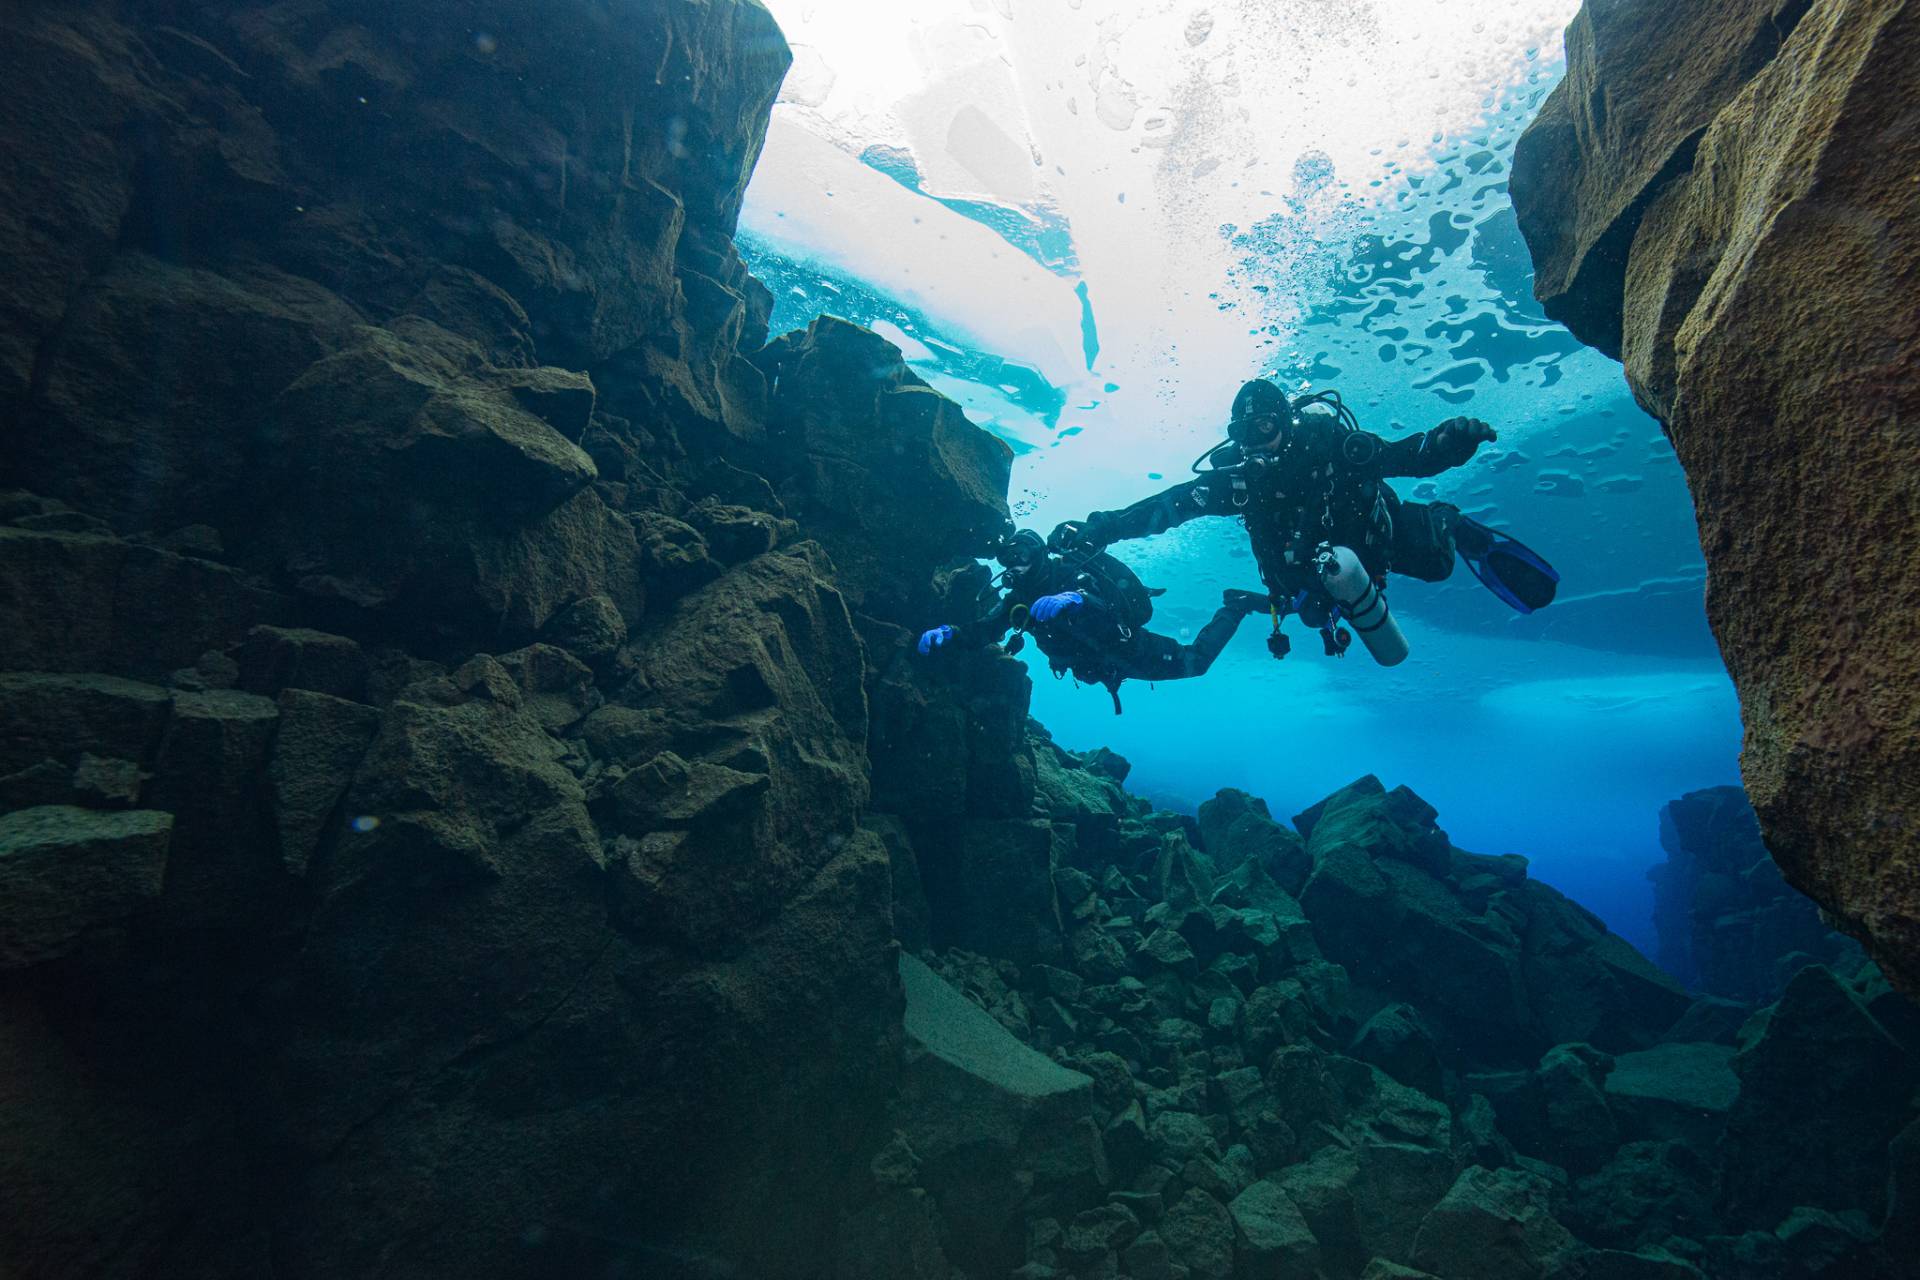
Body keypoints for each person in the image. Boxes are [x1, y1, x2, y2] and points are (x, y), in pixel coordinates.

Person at [1046, 379, 1557, 663]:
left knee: (1437, 565)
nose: (1253, 441)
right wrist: (1102, 528)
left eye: (1263, 426)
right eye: (1241, 431)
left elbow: (1409, 457)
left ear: (1286, 423)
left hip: (1381, 539)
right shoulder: (1239, 481)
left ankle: (1449, 524)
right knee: (1308, 611)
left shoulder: (1334, 446)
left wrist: (1451, 441)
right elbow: (1166, 509)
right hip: (1311, 575)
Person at [917, 528, 1269, 713]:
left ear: (1039, 555)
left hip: (1134, 651)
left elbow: (1104, 603)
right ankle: (1235, 606)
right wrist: (951, 632)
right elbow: (985, 632)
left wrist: (1075, 599)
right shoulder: (1017, 601)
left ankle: (1234, 605)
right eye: (1008, 560)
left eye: (1021, 556)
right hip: (1102, 668)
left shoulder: (1070, 572)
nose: (1015, 566)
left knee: (1197, 662)